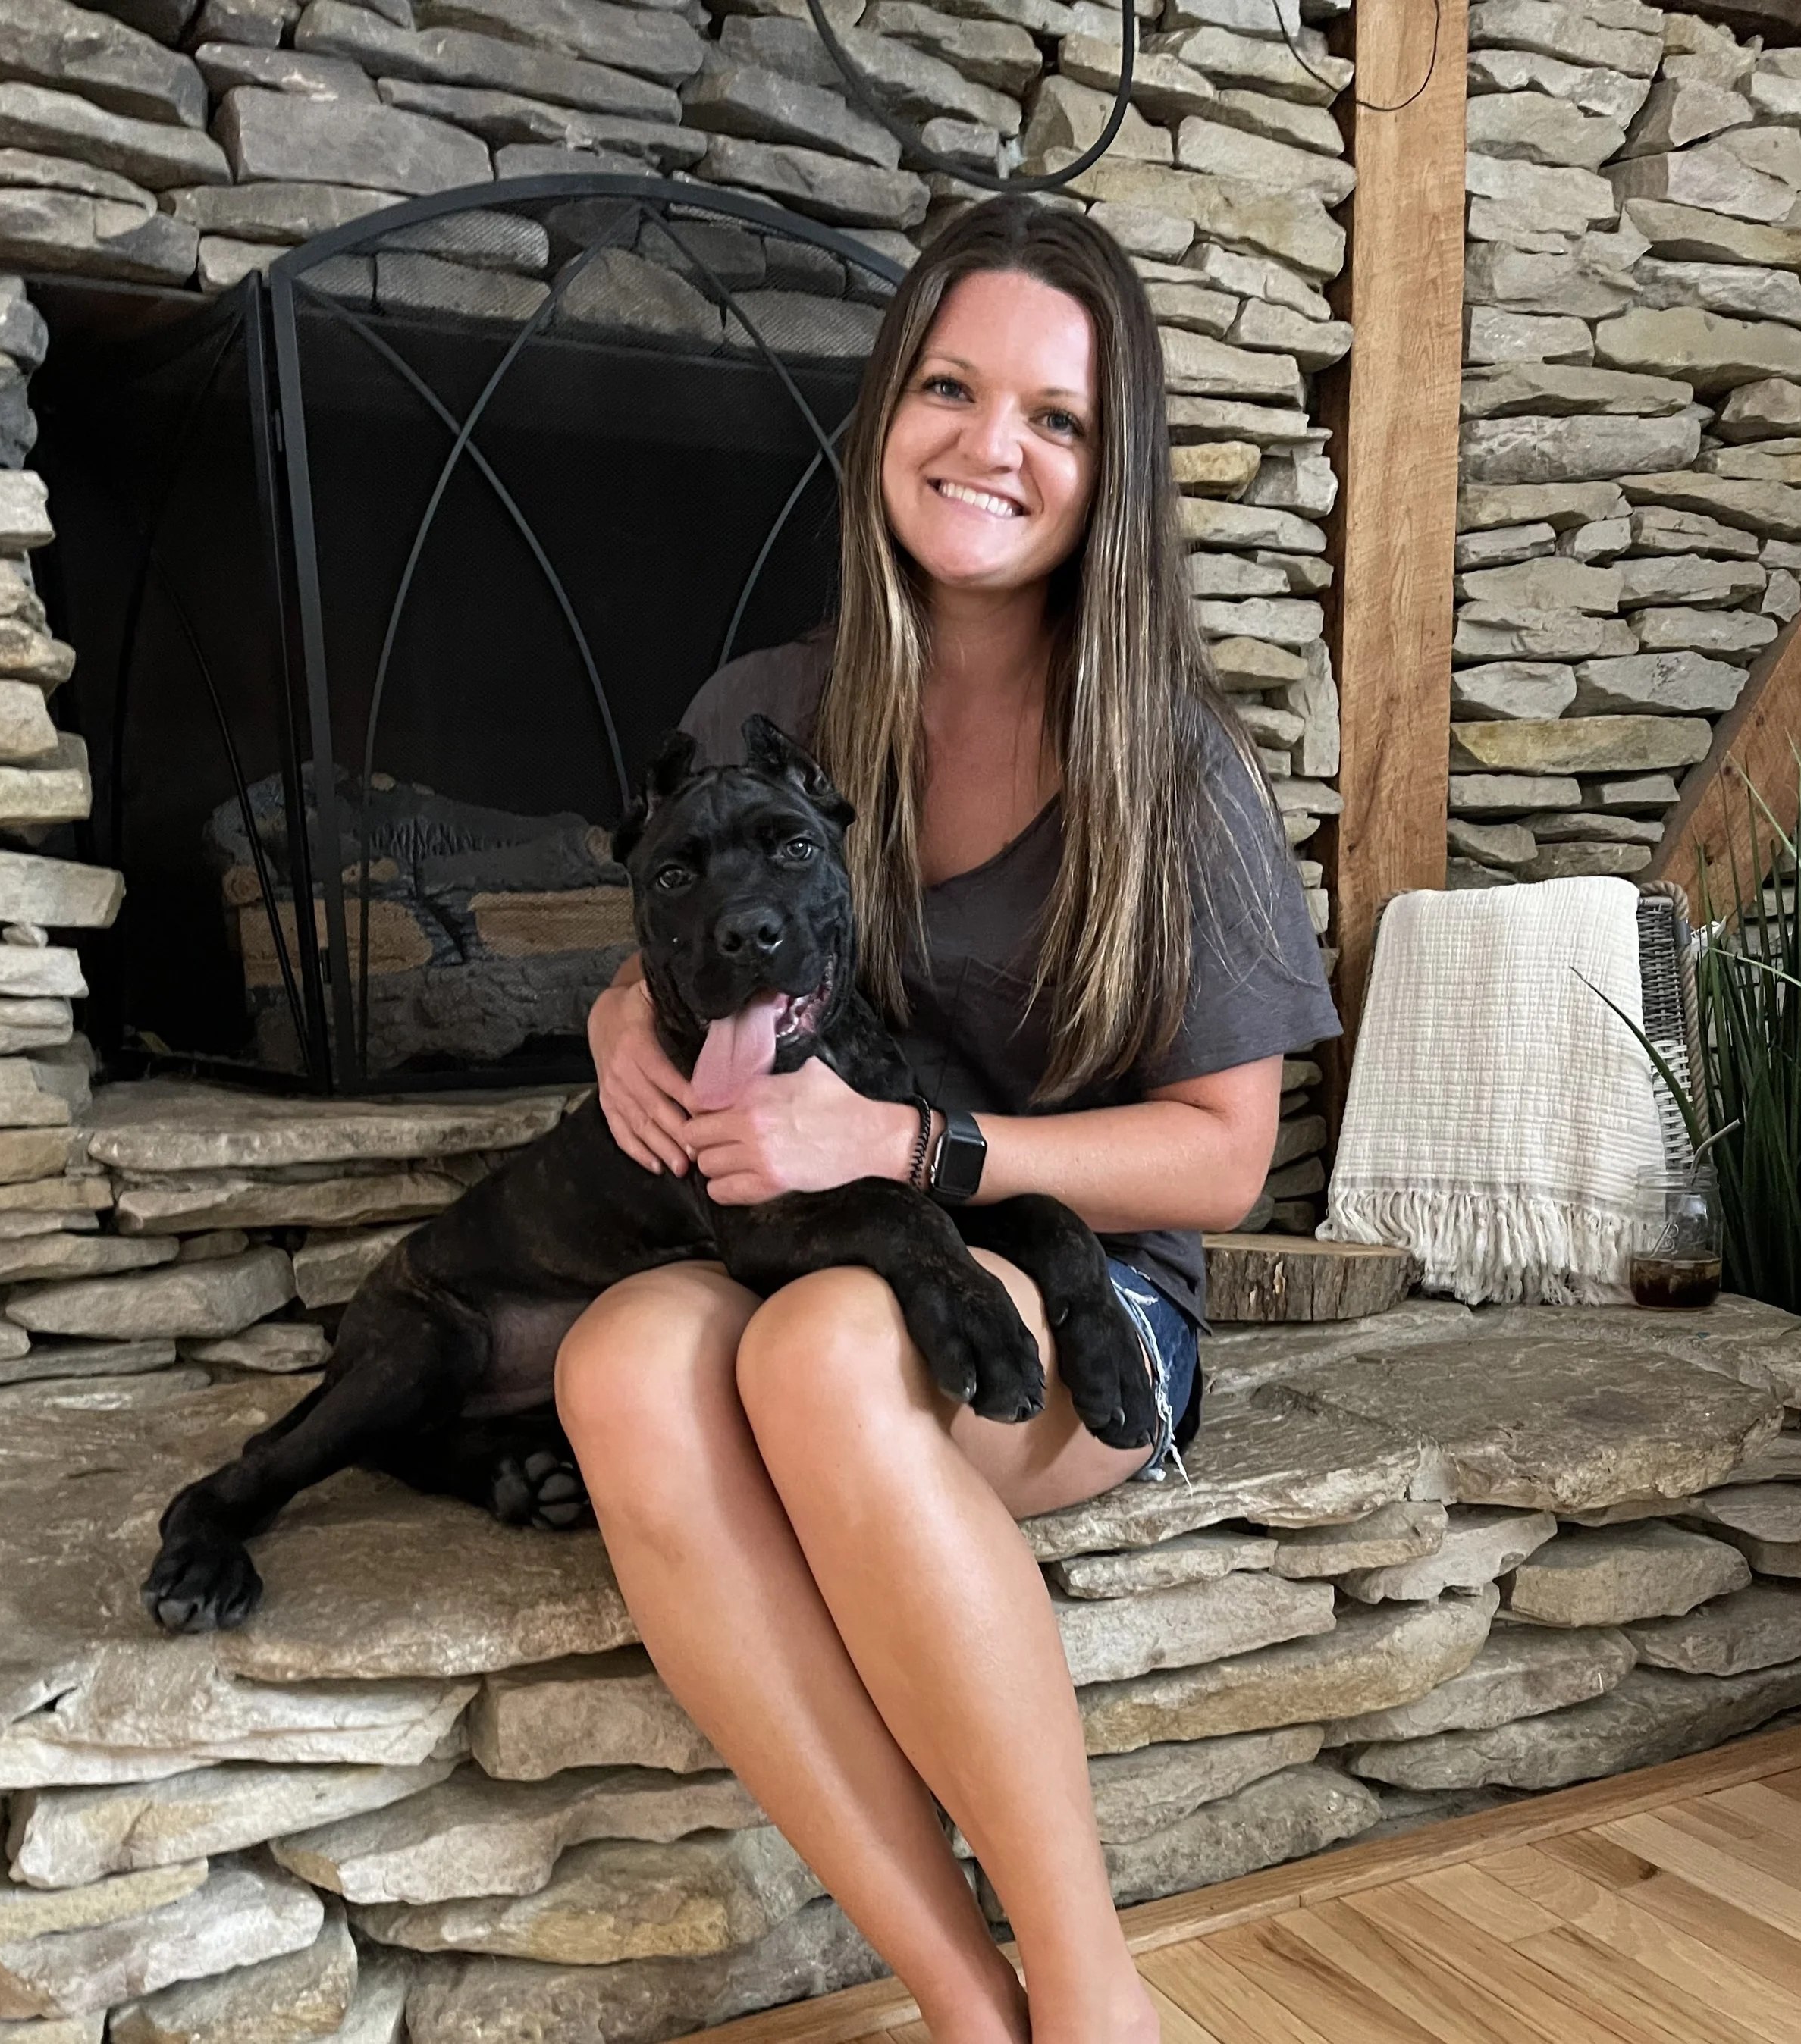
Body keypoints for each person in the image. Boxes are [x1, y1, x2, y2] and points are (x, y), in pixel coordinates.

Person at [556, 197, 1338, 2044]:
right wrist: (613, 1017)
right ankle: (966, 2011)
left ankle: (1093, 2009)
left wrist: (910, 1151)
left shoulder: (1176, 767)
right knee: (614, 1367)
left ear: (1107, 469)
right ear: (885, 415)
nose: (992, 445)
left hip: (1079, 1304)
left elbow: (1222, 1159)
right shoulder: (763, 708)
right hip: (797, 1244)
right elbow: (669, 942)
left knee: (831, 1352)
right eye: (951, 387)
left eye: (1054, 419)